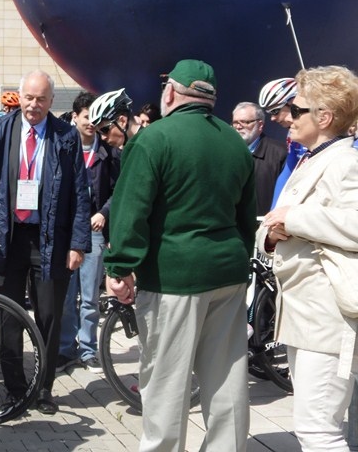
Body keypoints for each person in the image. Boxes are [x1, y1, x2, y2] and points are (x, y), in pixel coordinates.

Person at [105, 59, 256, 452]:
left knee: (166, 384)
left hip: (173, 276)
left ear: (170, 92)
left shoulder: (154, 139)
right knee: (227, 379)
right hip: (228, 272)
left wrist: (119, 267)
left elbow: (130, 210)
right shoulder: (234, 142)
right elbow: (246, 218)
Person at [0, 70, 91, 415]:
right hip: (8, 237)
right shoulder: (0, 132)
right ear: (20, 96)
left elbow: (80, 194)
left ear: (52, 101)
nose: (33, 105)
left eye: (41, 99)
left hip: (51, 238)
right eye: (28, 97)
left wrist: (78, 243)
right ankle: (15, 389)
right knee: (9, 316)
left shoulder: (66, 136)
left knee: (49, 316)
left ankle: (43, 389)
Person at [259, 65, 358, 452]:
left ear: (324, 117)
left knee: (319, 431)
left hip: (327, 317)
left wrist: (295, 219)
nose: (289, 116)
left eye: (297, 109)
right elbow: (274, 219)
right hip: (305, 316)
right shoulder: (311, 159)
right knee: (314, 427)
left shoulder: (346, 163)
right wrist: (271, 235)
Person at [57, 91, 119, 373]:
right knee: (67, 295)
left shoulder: (108, 153)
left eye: (96, 117)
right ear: (75, 117)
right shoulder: (62, 148)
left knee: (91, 296)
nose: (91, 122)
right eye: (86, 116)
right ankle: (65, 349)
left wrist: (103, 213)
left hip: (94, 230)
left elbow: (118, 190)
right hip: (68, 230)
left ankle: (88, 350)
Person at [231, 101, 286, 217]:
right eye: (235, 123)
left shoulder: (281, 153)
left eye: (245, 122)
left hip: (264, 223)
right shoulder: (225, 150)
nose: (238, 127)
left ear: (260, 125)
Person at [258, 77, 306, 208]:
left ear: (292, 102)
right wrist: (274, 209)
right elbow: (287, 172)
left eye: (275, 111)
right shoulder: (292, 135)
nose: (272, 118)